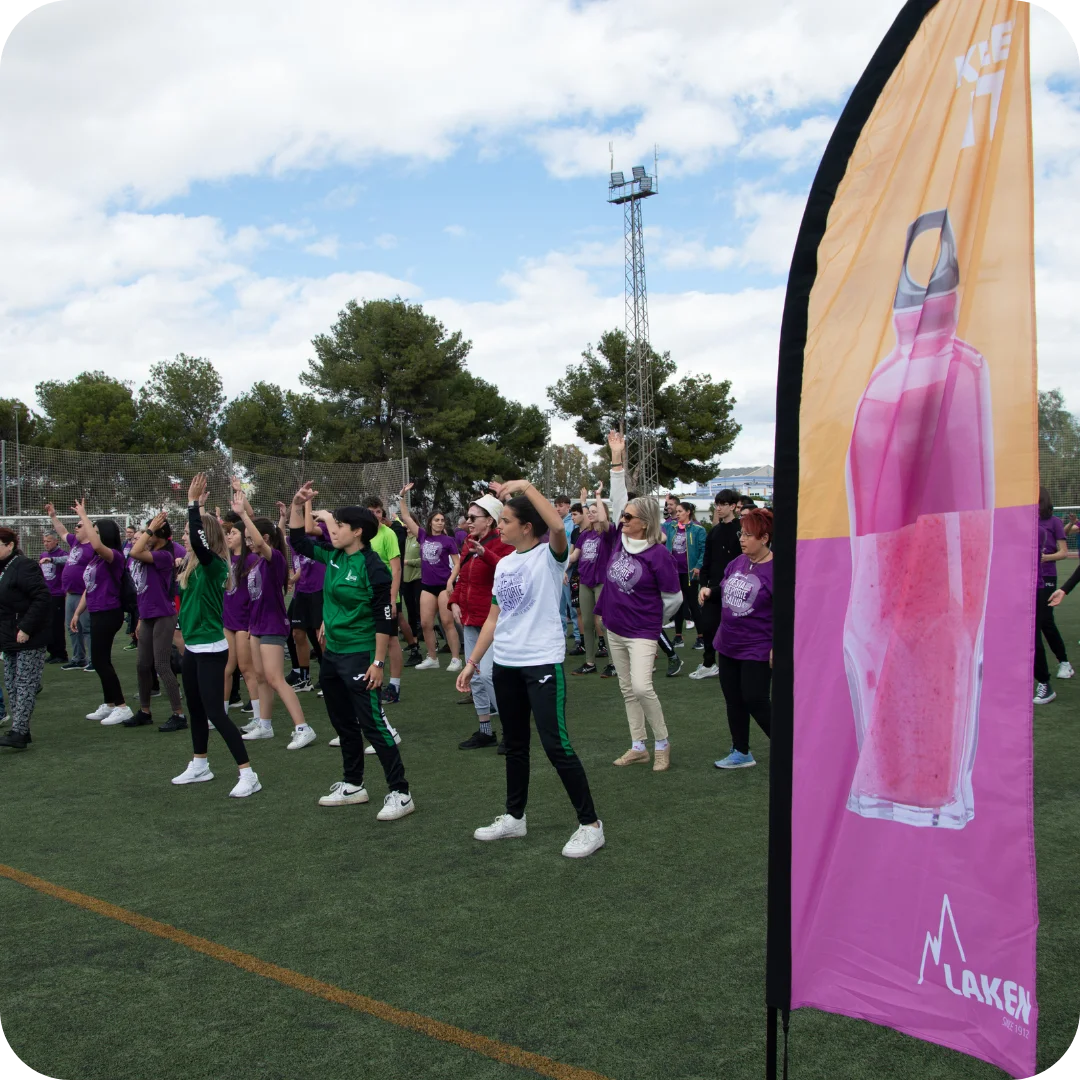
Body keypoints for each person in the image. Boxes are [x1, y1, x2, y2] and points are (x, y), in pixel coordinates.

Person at [456, 479, 605, 859]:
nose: (499, 526)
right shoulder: (504, 563)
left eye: (505, 520)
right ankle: (514, 817)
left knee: (557, 746)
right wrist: (472, 663)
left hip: (540, 663)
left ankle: (590, 825)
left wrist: (525, 486)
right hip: (506, 664)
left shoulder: (550, 556)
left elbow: (556, 526)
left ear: (526, 526)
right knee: (516, 745)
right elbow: (494, 618)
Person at [288, 484, 415, 820]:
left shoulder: (374, 568)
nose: (333, 530)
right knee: (343, 723)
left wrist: (377, 662)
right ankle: (353, 784)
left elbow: (383, 619)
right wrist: (297, 504)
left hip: (361, 655)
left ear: (357, 532)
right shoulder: (333, 556)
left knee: (373, 725)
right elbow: (298, 540)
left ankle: (400, 792)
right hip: (333, 654)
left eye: (339, 526)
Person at [594, 432, 682, 771]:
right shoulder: (620, 539)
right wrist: (617, 459)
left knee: (644, 687)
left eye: (630, 517)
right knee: (627, 689)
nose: (623, 519)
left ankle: (662, 742)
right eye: (624, 516)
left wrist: (654, 621)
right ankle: (638, 745)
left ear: (645, 523)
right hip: (615, 628)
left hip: (642, 631)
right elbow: (617, 498)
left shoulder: (659, 555)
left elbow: (673, 598)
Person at [169, 475, 262, 798]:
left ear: (204, 538)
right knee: (196, 709)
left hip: (210, 648)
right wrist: (198, 509)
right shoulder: (194, 565)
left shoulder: (214, 566)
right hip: (194, 648)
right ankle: (200, 764)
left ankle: (248, 773)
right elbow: (195, 542)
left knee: (215, 713)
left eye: (189, 531)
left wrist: (194, 505)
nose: (183, 536)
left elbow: (197, 540)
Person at [230, 483, 316, 749]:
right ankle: (264, 724)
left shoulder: (274, 557)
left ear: (265, 539)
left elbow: (259, 539)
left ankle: (303, 727)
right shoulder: (253, 561)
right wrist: (243, 510)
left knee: (276, 678)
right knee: (260, 676)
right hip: (255, 624)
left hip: (272, 624)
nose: (247, 543)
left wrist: (244, 515)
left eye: (249, 539)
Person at [448, 494, 514, 749]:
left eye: (473, 517)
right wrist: (454, 600)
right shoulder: (469, 542)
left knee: (487, 675)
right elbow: (463, 577)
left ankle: (511, 729)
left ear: (490, 520)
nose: (467, 521)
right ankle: (486, 730)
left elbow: (508, 572)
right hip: (470, 618)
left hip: (492, 620)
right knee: (474, 677)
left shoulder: (503, 544)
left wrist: (485, 553)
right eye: (468, 516)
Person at [713, 508, 774, 769]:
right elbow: (725, 588)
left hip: (757, 646)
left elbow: (790, 612)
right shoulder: (737, 562)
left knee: (755, 699)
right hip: (727, 643)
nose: (742, 539)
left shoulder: (778, 570)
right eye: (742, 533)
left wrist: (777, 647)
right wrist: (709, 592)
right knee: (733, 698)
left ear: (765, 538)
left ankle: (791, 747)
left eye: (749, 535)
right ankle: (741, 751)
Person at [69, 501, 133, 725]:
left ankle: (122, 706)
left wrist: (84, 515)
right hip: (96, 612)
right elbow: (89, 587)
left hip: (109, 612)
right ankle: (109, 704)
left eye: (95, 531)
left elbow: (96, 546)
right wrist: (77, 613)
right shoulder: (96, 559)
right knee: (100, 659)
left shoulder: (113, 555)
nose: (91, 534)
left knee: (100, 660)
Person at [125, 513, 187, 730]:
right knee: (142, 664)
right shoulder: (151, 552)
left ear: (158, 535)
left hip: (163, 615)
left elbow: (134, 551)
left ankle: (178, 715)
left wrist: (150, 530)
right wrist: (140, 618)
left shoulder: (163, 556)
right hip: (148, 615)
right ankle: (145, 711)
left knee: (161, 664)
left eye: (148, 532)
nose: (143, 536)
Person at [396, 490, 461, 671]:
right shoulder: (423, 535)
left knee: (447, 623)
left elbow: (457, 564)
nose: (440, 522)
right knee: (425, 623)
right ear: (431, 522)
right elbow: (407, 517)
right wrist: (401, 498)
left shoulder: (448, 540)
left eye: (442, 520)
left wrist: (450, 582)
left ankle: (456, 659)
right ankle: (432, 657)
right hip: (427, 586)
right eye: (437, 520)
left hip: (444, 586)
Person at [0, 526, 51, 751]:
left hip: (28, 636)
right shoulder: (3, 567)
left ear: (9, 545)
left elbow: (41, 597)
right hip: (8, 636)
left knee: (25, 683)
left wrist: (26, 627)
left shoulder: (24, 565)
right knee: (11, 684)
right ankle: (21, 728)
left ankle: (19, 731)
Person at [691, 489, 743, 680]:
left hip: (735, 588)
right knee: (709, 625)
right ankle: (708, 663)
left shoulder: (741, 530)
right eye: (717, 504)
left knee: (733, 627)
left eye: (722, 504)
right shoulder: (714, 531)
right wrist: (703, 584)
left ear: (733, 506)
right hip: (712, 588)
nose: (718, 508)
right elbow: (707, 561)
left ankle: (733, 663)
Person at [364, 495, 409, 701]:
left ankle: (395, 686)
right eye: (371, 511)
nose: (375, 515)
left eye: (378, 511)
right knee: (370, 640)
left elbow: (396, 569)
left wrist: (392, 599)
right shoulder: (361, 535)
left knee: (390, 640)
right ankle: (373, 680)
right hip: (366, 597)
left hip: (386, 596)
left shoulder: (388, 534)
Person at [1034, 488, 1074, 705]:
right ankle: (1062, 663)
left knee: (1043, 622)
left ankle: (1063, 663)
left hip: (1047, 578)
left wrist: (1044, 558)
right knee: (1043, 623)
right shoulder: (1027, 520)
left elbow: (1064, 552)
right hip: (1028, 578)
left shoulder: (1054, 522)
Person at [221, 511, 260, 730]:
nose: (229, 536)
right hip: (228, 620)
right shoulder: (226, 558)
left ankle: (258, 716)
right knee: (226, 668)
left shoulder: (252, 560)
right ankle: (221, 714)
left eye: (233, 533)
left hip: (245, 622)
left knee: (247, 670)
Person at [45, 502, 94, 671]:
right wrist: (53, 516)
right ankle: (78, 658)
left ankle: (93, 660)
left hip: (85, 594)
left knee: (87, 628)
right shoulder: (75, 543)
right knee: (72, 628)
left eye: (80, 526)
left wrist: (83, 515)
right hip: (71, 594)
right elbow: (62, 531)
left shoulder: (94, 546)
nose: (76, 528)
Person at [568, 483, 610, 675]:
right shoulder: (585, 535)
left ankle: (613, 662)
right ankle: (590, 662)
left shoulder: (609, 534)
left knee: (603, 622)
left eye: (594, 511)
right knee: (586, 621)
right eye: (589, 511)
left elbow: (603, 519)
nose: (591, 514)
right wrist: (559, 567)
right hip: (585, 581)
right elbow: (574, 556)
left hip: (602, 581)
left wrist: (598, 497)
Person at [286, 499, 326, 694]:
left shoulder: (318, 536)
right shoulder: (294, 541)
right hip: (302, 591)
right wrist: (293, 579)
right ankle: (304, 677)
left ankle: (328, 677)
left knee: (321, 636)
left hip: (319, 590)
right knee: (297, 634)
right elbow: (301, 564)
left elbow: (309, 529)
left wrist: (306, 502)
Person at [663, 502, 706, 649]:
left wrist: (698, 566)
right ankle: (678, 637)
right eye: (677, 511)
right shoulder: (671, 527)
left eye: (680, 511)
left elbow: (703, 550)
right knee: (678, 604)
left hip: (690, 573)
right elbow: (659, 530)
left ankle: (701, 637)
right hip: (674, 573)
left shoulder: (698, 529)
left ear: (688, 512)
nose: (678, 513)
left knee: (693, 605)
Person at [553, 494, 583, 650]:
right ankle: (561, 636)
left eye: (560, 506)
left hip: (569, 570)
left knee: (573, 606)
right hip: (558, 569)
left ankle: (579, 638)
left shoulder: (572, 524)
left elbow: (572, 549)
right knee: (559, 606)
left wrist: (566, 567)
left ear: (568, 506)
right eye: (556, 506)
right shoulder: (556, 523)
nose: (557, 509)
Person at [38, 530, 70, 664]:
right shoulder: (43, 555)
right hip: (46, 595)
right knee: (47, 625)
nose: (46, 544)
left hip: (57, 595)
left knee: (57, 625)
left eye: (49, 541)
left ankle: (61, 653)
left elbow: (67, 565)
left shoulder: (62, 555)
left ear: (56, 541)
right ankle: (52, 651)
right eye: (44, 541)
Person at [399, 524, 423, 666]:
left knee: (421, 611)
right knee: (411, 613)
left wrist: (409, 562)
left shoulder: (419, 539)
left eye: (410, 523)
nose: (407, 526)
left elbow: (423, 560)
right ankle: (414, 641)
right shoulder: (404, 540)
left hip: (417, 579)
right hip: (405, 580)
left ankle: (434, 641)